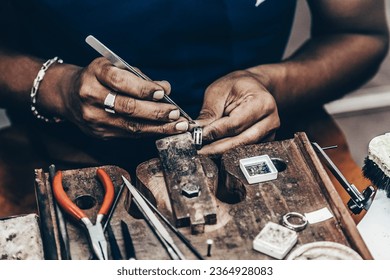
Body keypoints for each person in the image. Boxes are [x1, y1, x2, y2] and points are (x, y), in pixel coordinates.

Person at [0, 0, 388, 222]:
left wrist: (273, 84)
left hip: (267, 140)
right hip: (57, 155)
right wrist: (56, 88)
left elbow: (361, 35)